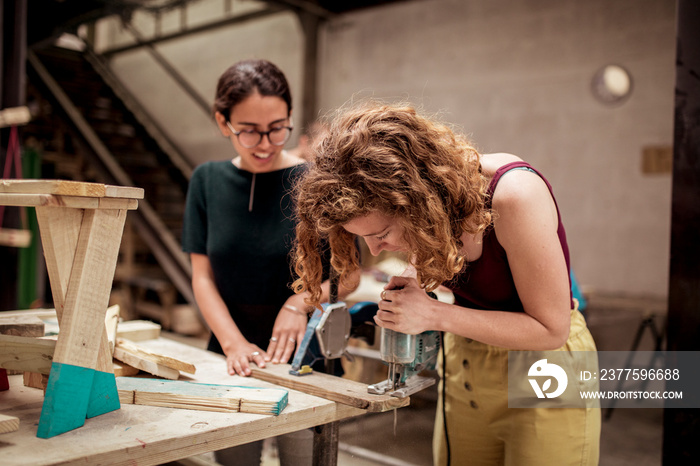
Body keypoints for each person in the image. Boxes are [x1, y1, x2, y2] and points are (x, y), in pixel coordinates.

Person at [291, 101, 601, 466]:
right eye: (365, 239)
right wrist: (410, 283)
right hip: (468, 363)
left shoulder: (513, 195)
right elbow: (428, 256)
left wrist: (434, 314)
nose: (376, 248)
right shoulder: (432, 209)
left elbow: (551, 330)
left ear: (418, 200)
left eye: (384, 233)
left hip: (544, 370)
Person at [182, 59, 354, 466]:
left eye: (277, 128)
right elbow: (202, 278)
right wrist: (233, 343)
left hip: (306, 359)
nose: (264, 143)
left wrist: (299, 303)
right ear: (223, 122)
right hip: (232, 359)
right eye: (248, 131)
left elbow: (347, 276)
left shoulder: (317, 182)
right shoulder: (206, 181)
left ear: (290, 118)